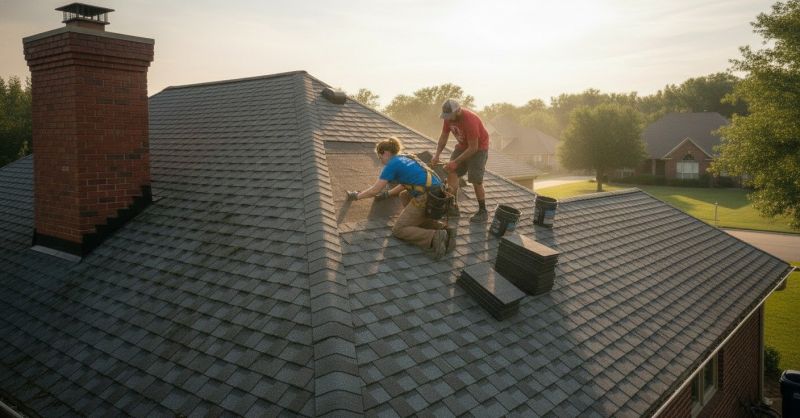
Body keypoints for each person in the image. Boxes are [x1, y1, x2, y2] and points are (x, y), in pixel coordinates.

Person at [346, 137, 455, 259]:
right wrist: (387, 194)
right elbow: (406, 184)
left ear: (386, 153)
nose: (381, 161)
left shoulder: (392, 165)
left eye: (380, 157)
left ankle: (435, 236)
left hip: (427, 197)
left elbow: (375, 190)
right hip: (438, 193)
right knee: (404, 195)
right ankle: (445, 229)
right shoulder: (407, 157)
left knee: (399, 230)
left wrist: (357, 196)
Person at [431, 98, 490, 223]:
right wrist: (437, 155)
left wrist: (455, 162)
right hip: (463, 146)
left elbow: (473, 148)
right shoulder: (448, 119)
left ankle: (483, 211)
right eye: (446, 116)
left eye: (450, 115)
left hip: (479, 149)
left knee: (475, 179)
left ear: (458, 111)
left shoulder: (470, 121)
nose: (448, 118)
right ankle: (453, 207)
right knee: (452, 172)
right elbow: (443, 136)